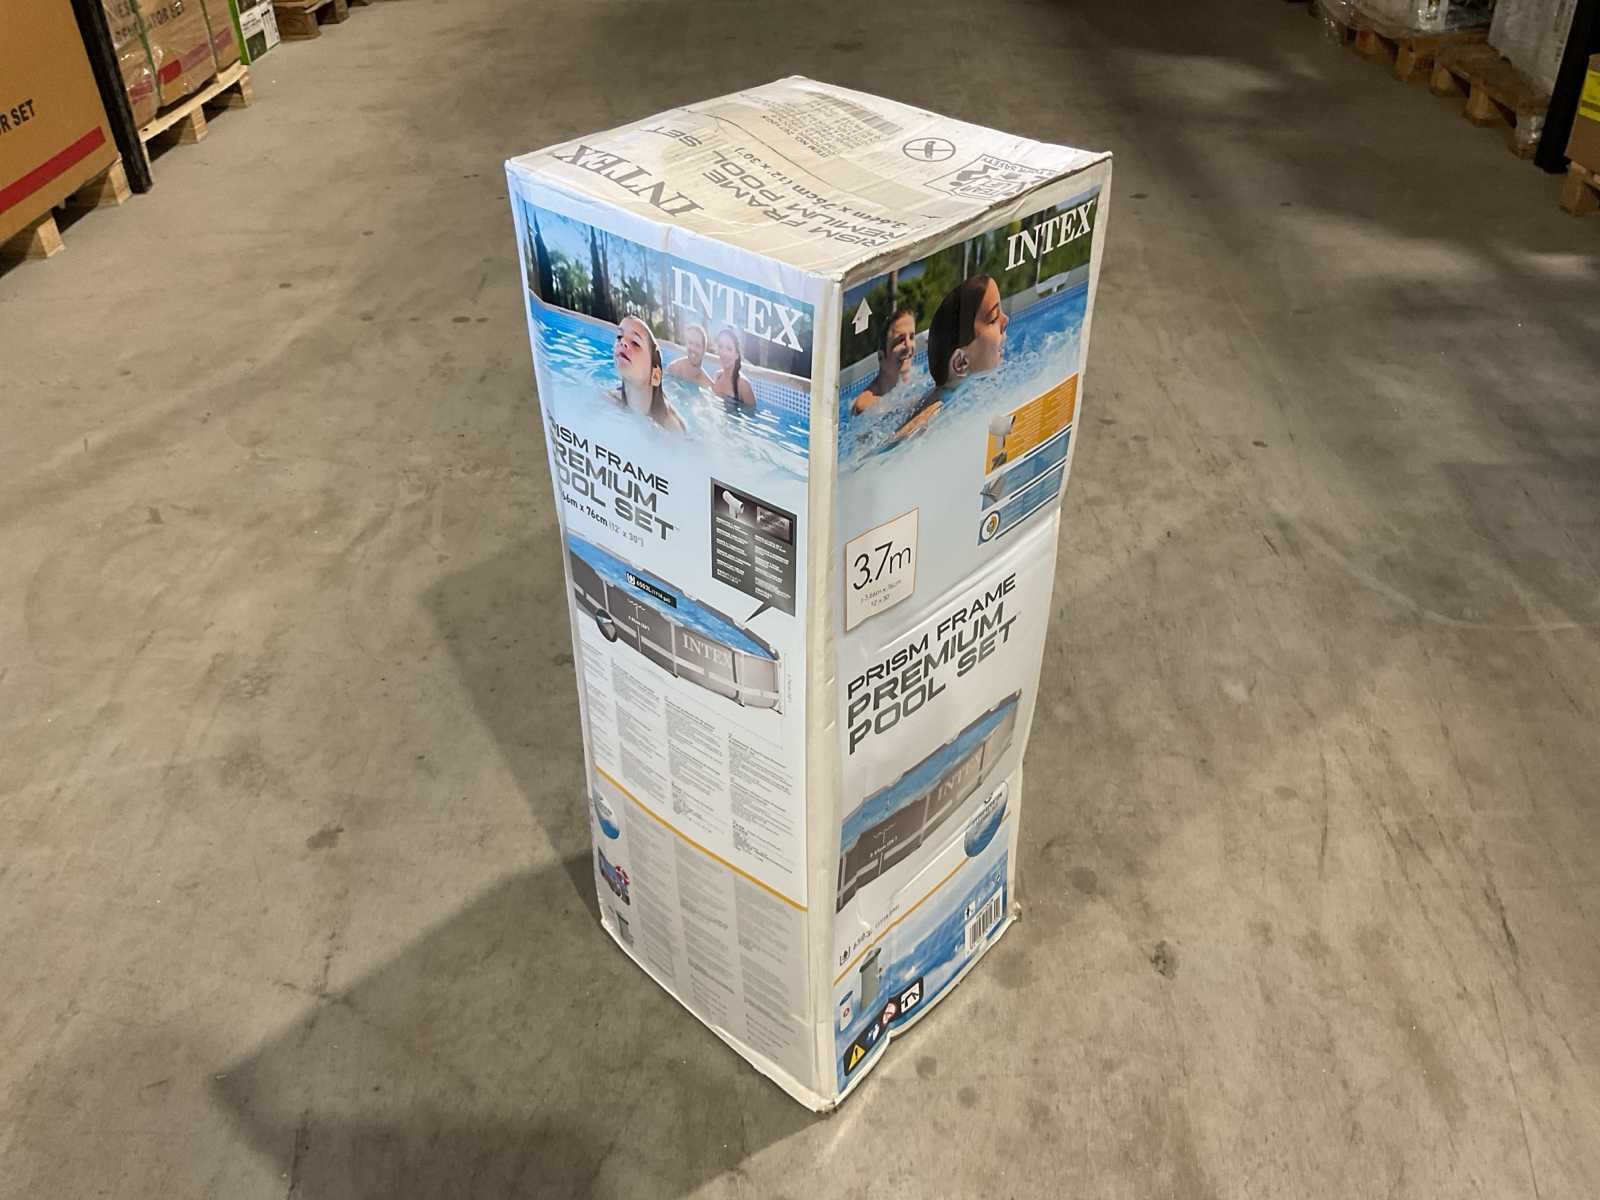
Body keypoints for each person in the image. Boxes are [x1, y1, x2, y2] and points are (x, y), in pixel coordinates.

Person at [893, 276, 1007, 442]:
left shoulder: (951, 391)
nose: (1006, 320)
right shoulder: (932, 416)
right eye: (993, 318)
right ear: (961, 363)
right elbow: (898, 441)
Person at [610, 316, 686, 432]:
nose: (622, 342)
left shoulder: (671, 427)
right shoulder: (611, 399)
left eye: (635, 343)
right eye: (620, 336)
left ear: (655, 376)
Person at [852, 307, 917, 414]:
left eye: (911, 337)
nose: (909, 346)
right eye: (900, 340)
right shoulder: (866, 406)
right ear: (881, 357)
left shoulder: (918, 375)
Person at [712, 327, 757, 411]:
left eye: (729, 349)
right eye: (720, 346)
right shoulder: (717, 376)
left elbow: (751, 415)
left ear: (736, 355)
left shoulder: (743, 385)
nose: (724, 353)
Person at [666, 323, 714, 388]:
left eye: (697, 345)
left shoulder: (707, 384)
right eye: (690, 343)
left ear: (704, 350)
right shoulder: (673, 368)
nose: (693, 348)